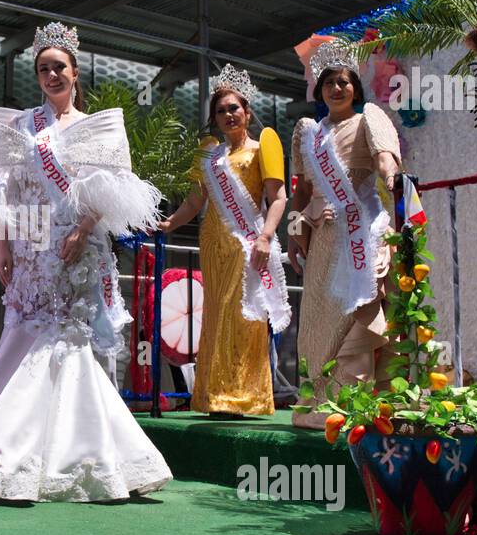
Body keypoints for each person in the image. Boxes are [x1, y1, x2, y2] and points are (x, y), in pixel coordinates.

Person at [0, 21, 172, 501]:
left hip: (75, 244)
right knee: (24, 329)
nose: (51, 75)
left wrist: (82, 230)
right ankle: (17, 448)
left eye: (59, 67)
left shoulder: (94, 126)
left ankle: (79, 454)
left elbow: (111, 186)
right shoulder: (21, 126)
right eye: (43, 69)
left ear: (75, 73)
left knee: (67, 338)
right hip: (30, 240)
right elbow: (6, 188)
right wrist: (3, 245)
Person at [157, 65, 289, 416]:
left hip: (248, 244)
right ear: (215, 118)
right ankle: (215, 395)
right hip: (214, 243)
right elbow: (194, 201)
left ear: (247, 111)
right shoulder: (209, 155)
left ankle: (246, 397)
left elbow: (279, 198)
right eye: (221, 111)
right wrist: (171, 222)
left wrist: (265, 237)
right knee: (216, 315)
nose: (228, 115)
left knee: (245, 317)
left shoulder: (265, 147)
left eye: (234, 108)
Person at [287, 40, 401, 429]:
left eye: (344, 82)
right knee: (318, 319)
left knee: (356, 312)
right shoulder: (307, 133)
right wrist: (292, 229)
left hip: (360, 232)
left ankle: (352, 403)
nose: (337, 88)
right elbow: (300, 190)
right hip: (322, 238)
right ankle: (318, 402)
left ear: (355, 87)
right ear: (319, 91)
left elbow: (385, 158)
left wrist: (390, 174)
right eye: (329, 83)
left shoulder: (368, 118)